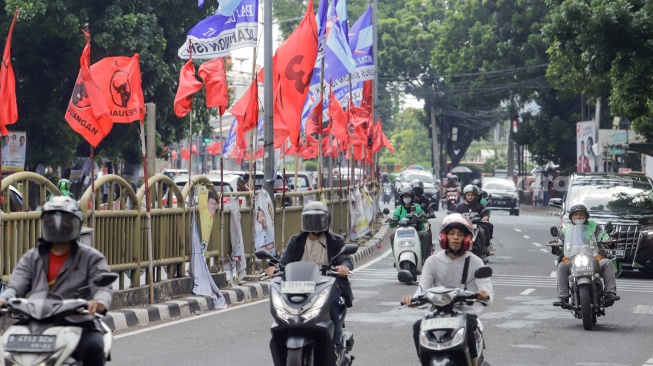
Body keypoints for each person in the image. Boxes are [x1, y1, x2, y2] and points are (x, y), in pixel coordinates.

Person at [0, 197, 113, 365]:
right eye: (52, 221)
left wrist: (99, 302)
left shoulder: (91, 257)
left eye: (65, 222)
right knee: (5, 349)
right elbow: (15, 286)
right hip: (34, 322)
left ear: (76, 225)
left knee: (94, 347)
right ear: (45, 224)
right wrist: (3, 299)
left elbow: (102, 288)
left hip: (77, 322)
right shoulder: (32, 256)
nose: (58, 226)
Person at [401, 213, 493, 366]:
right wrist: (411, 299)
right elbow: (422, 289)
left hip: (465, 312)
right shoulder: (432, 261)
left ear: (467, 238)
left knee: (469, 323)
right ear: (444, 237)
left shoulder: (475, 262)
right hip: (438, 314)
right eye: (451, 233)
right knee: (418, 325)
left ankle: (474, 362)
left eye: (460, 234)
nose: (456, 237)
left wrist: (483, 294)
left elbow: (487, 290)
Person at [264, 201, 353, 356]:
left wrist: (344, 267)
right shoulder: (296, 240)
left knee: (332, 302)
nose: (313, 225)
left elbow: (346, 259)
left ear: (326, 221)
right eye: (310, 220)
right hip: (299, 284)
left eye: (318, 220)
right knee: (284, 304)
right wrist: (275, 268)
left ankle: (336, 344)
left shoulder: (336, 241)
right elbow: (284, 261)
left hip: (326, 283)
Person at [552, 204, 620, 307]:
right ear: (571, 217)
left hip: (593, 258)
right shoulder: (566, 231)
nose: (578, 217)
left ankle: (609, 293)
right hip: (573, 260)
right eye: (575, 215)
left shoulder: (593, 225)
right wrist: (555, 247)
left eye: (581, 214)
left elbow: (602, 235)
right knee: (561, 266)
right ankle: (563, 297)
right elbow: (561, 247)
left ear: (585, 216)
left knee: (607, 263)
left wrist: (608, 240)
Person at [392, 186, 431, 263]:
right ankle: (396, 258)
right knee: (392, 236)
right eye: (405, 196)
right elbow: (392, 223)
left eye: (408, 196)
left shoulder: (417, 207)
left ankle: (422, 257)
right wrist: (392, 222)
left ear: (412, 197)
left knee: (425, 234)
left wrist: (422, 218)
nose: (406, 198)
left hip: (416, 232)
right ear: (402, 198)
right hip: (402, 233)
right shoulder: (398, 209)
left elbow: (423, 217)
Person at [454, 185, 493, 259]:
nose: (470, 197)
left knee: (482, 230)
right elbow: (455, 215)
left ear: (475, 196)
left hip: (476, 226)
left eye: (472, 195)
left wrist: (484, 218)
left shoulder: (479, 206)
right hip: (464, 226)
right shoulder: (460, 206)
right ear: (465, 196)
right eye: (468, 195)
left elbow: (485, 214)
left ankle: (484, 249)